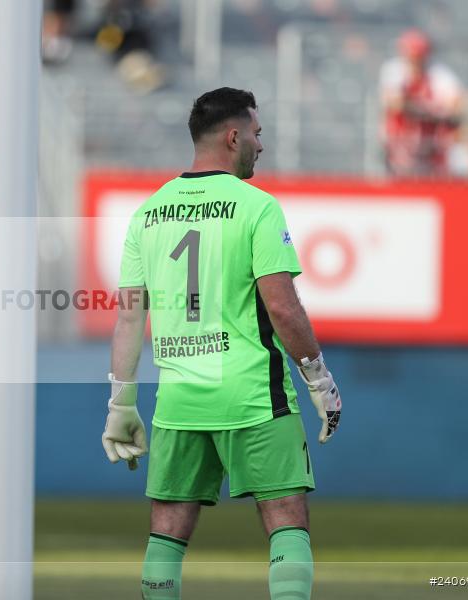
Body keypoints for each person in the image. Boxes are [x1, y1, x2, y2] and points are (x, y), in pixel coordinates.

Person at [102, 88, 342, 600]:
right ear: (233, 137)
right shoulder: (257, 206)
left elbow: (128, 315)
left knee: (166, 532)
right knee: (285, 521)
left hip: (179, 402)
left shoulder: (147, 213)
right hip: (253, 396)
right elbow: (282, 306)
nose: (261, 144)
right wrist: (317, 375)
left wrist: (121, 402)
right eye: (257, 133)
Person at [379, 29, 462, 176]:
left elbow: (455, 105)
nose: (415, 61)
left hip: (432, 144)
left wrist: (416, 108)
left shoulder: (439, 74)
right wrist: (430, 109)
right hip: (401, 143)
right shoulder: (394, 70)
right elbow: (394, 103)